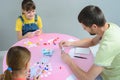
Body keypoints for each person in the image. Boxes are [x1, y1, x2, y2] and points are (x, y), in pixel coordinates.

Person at [59, 5, 120, 80]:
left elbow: (87, 78)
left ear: (94, 26)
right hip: (107, 68)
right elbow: (92, 42)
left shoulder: (107, 47)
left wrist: (69, 62)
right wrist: (70, 43)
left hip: (109, 77)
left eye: (85, 28)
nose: (84, 29)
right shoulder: (109, 26)